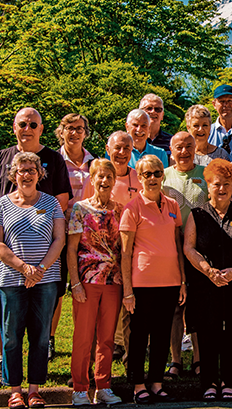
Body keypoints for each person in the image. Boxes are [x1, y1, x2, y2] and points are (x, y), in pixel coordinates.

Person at [0, 107, 72, 387]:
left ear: (42, 128)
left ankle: (35, 381)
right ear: (14, 126)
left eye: (33, 123)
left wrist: (40, 268)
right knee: (8, 324)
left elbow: (62, 205)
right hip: (8, 265)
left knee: (40, 329)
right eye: (23, 123)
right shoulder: (1, 158)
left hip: (45, 269)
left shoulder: (54, 160)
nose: (28, 128)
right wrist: (19, 263)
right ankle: (6, 371)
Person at [0, 151, 66, 409]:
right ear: (13, 174)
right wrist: (24, 268)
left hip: (46, 279)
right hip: (9, 280)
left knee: (41, 336)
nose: (27, 174)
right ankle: (14, 391)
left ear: (39, 174)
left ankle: (34, 390)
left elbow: (59, 239)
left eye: (32, 169)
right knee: (11, 335)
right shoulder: (0, 205)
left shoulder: (51, 203)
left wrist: (40, 268)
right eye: (22, 170)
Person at [183, 159, 232, 400]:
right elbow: (189, 248)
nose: (222, 188)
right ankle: (208, 383)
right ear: (208, 185)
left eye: (227, 184)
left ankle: (228, 382)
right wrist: (208, 270)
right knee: (207, 333)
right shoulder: (197, 215)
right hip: (205, 285)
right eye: (217, 184)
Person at [119, 154, 185, 404]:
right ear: (140, 176)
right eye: (147, 174)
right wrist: (127, 291)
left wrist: (182, 280)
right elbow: (125, 254)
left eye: (157, 173)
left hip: (169, 282)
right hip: (141, 283)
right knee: (139, 336)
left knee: (161, 334)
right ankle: (138, 385)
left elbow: (177, 245)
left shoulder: (172, 205)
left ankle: (157, 383)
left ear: (163, 175)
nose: (153, 178)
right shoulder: (132, 208)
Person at [67, 159, 124, 406]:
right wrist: (75, 283)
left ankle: (103, 385)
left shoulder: (121, 210)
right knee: (83, 336)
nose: (104, 181)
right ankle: (80, 388)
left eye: (109, 177)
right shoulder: (80, 209)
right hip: (87, 280)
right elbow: (71, 250)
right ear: (92, 178)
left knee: (107, 337)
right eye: (100, 176)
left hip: (114, 281)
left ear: (114, 181)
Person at [88, 131, 141, 366]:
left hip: (132, 247)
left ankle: (131, 355)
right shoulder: (99, 175)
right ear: (108, 149)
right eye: (117, 148)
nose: (121, 153)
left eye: (126, 149)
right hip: (100, 255)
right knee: (101, 310)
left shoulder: (139, 177)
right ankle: (103, 352)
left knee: (129, 302)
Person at [161, 132, 207, 380]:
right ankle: (176, 360)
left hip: (201, 250)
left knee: (197, 308)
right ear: (171, 149)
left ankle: (198, 359)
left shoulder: (205, 174)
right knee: (176, 308)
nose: (185, 151)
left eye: (189, 146)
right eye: (179, 147)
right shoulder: (164, 176)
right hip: (170, 249)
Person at [50, 113, 96, 362]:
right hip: (60, 232)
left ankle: (87, 340)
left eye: (79, 128)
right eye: (69, 128)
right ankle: (50, 339)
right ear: (61, 131)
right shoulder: (54, 161)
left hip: (88, 236)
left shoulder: (94, 162)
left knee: (85, 290)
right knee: (56, 290)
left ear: (85, 132)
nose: (75, 133)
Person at [208, 84, 232, 160]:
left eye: (229, 101)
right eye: (221, 101)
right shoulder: (207, 132)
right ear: (214, 104)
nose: (226, 105)